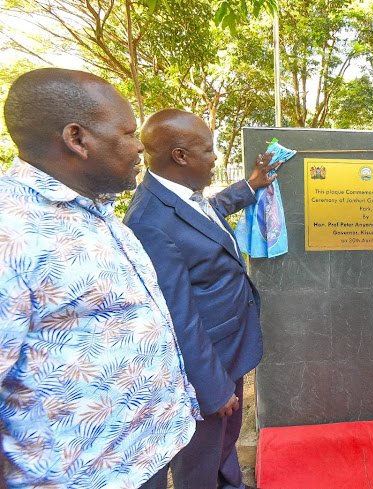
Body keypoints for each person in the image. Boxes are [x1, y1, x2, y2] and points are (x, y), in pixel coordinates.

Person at [0, 68, 199, 488]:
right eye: (128, 134)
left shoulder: (95, 212)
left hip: (144, 455)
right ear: (77, 138)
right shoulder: (12, 232)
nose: (139, 148)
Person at [123, 109, 278, 489]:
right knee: (201, 451)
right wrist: (212, 388)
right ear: (180, 156)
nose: (215, 158)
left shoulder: (181, 196)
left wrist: (250, 186)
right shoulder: (148, 220)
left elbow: (209, 215)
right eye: (208, 151)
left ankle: (229, 483)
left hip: (227, 348)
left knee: (226, 437)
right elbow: (177, 316)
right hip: (204, 365)